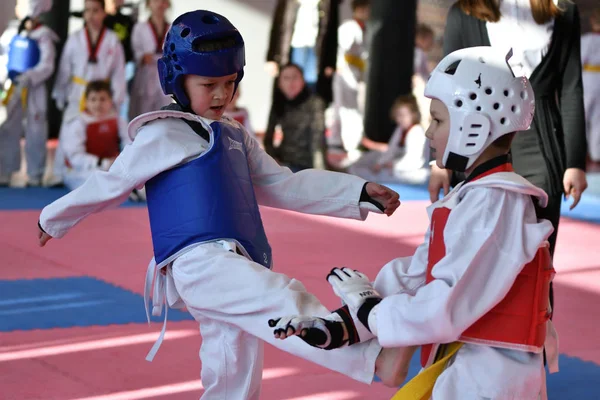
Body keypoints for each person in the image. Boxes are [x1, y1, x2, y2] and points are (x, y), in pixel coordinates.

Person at [38, 10, 410, 399]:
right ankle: (371, 357)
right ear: (177, 80)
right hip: (199, 264)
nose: (221, 95)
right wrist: (54, 217)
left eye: (230, 83)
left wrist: (358, 192)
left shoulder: (234, 135)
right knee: (278, 298)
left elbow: (285, 184)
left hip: (236, 259)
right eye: (208, 84)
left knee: (234, 366)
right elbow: (112, 183)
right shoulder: (163, 132)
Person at [271, 47, 559, 399]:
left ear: (474, 127)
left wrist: (371, 310)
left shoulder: (495, 203)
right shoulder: (475, 197)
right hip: (465, 368)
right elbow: (416, 275)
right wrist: (345, 324)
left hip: (491, 378)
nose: (427, 132)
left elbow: (446, 304)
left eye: (438, 120)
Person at [430, 0, 588, 258]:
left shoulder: (562, 11)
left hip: (541, 148)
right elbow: (446, 91)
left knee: (536, 259)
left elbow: (571, 89)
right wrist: (437, 162)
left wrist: (575, 162)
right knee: (471, 258)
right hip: (476, 146)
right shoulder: (464, 11)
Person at [51, 0, 126, 185]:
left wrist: (116, 99)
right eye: (87, 11)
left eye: (95, 11)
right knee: (68, 129)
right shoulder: (75, 38)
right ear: (83, 14)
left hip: (102, 95)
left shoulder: (112, 39)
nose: (91, 15)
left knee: (103, 134)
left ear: (103, 13)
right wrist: (60, 93)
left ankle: (105, 168)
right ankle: (59, 172)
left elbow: (119, 72)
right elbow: (64, 70)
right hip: (79, 91)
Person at [0, 0, 58, 187]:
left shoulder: (44, 35)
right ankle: (6, 170)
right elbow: (4, 59)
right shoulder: (11, 33)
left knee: (36, 128)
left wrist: (31, 76)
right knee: (9, 126)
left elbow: (47, 64)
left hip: (34, 87)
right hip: (13, 85)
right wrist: (5, 76)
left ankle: (35, 172)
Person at [58, 80, 129, 191]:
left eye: (102, 99)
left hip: (111, 167)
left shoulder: (118, 121)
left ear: (110, 101)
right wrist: (100, 163)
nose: (98, 104)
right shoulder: (78, 123)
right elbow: (74, 157)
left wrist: (121, 163)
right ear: (86, 102)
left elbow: (129, 145)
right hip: (80, 171)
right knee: (95, 182)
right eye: (93, 99)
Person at [265, 0, 341, 104]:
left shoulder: (327, 3)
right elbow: (277, 25)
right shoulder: (288, 2)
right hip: (293, 49)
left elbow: (332, 33)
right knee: (290, 89)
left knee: (312, 90)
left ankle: (310, 117)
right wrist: (271, 58)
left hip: (315, 51)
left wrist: (330, 63)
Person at [350, 94, 430, 184]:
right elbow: (390, 151)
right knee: (368, 160)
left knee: (381, 174)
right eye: (398, 115)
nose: (400, 119)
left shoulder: (416, 131)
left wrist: (393, 165)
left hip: (416, 172)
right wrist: (380, 163)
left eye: (404, 115)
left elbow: (414, 162)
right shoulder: (400, 129)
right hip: (400, 167)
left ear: (414, 114)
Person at [328, 0, 370, 162]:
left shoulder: (362, 28)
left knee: (345, 107)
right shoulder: (349, 27)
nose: (368, 13)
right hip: (345, 72)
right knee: (345, 108)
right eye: (366, 9)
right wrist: (340, 66)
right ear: (359, 9)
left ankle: (339, 140)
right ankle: (348, 142)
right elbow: (343, 50)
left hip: (354, 72)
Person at [264, 63, 326, 171]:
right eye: (286, 78)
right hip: (284, 161)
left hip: (308, 164)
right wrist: (273, 159)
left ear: (303, 80)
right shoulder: (279, 103)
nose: (291, 82)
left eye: (295, 77)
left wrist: (321, 174)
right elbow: (268, 138)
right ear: (279, 83)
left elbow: (317, 143)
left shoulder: (315, 103)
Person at [128, 0, 172, 120]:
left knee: (165, 111)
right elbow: (136, 51)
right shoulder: (140, 27)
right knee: (143, 112)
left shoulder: (173, 28)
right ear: (148, 4)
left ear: (167, 4)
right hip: (146, 74)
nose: (160, 4)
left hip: (165, 74)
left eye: (163, 1)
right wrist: (142, 57)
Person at [582, 7, 600, 162]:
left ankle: (584, 152)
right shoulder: (587, 39)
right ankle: (596, 153)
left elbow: (579, 61)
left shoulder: (586, 40)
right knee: (597, 119)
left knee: (583, 117)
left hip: (588, 79)